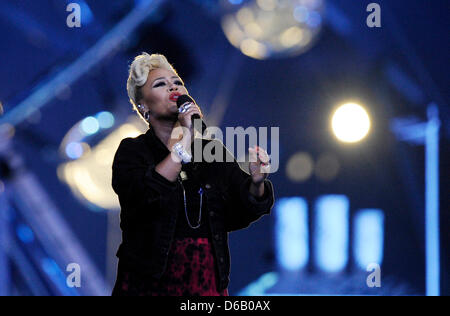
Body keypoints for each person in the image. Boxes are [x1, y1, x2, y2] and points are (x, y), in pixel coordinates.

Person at [111, 52, 275, 296]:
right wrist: (187, 136)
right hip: (149, 282)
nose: (173, 87)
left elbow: (239, 213)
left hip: (205, 280)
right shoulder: (132, 151)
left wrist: (256, 182)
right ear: (143, 106)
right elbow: (146, 197)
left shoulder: (210, 151)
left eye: (177, 82)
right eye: (160, 84)